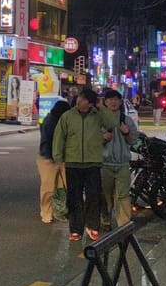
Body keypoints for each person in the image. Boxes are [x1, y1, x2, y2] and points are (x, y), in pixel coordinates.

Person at [52, 88, 119, 242]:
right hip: (73, 162)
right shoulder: (67, 116)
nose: (81, 102)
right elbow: (59, 138)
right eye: (80, 99)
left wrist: (101, 107)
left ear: (90, 104)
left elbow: (112, 123)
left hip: (92, 162)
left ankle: (92, 226)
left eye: (85, 101)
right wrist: (58, 159)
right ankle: (76, 229)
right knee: (74, 197)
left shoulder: (97, 115)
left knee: (93, 196)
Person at [101, 89, 138, 229]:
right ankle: (106, 219)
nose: (113, 102)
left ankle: (124, 224)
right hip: (104, 164)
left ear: (120, 102)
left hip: (122, 164)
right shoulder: (100, 120)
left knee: (123, 195)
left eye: (116, 99)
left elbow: (133, 140)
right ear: (105, 102)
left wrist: (126, 132)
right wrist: (103, 139)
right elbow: (91, 141)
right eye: (110, 99)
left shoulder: (126, 120)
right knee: (106, 195)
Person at [36, 99, 70, 223]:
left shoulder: (59, 120)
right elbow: (46, 140)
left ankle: (56, 210)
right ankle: (46, 211)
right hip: (48, 158)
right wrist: (49, 158)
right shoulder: (51, 122)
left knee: (62, 186)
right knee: (48, 187)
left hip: (60, 157)